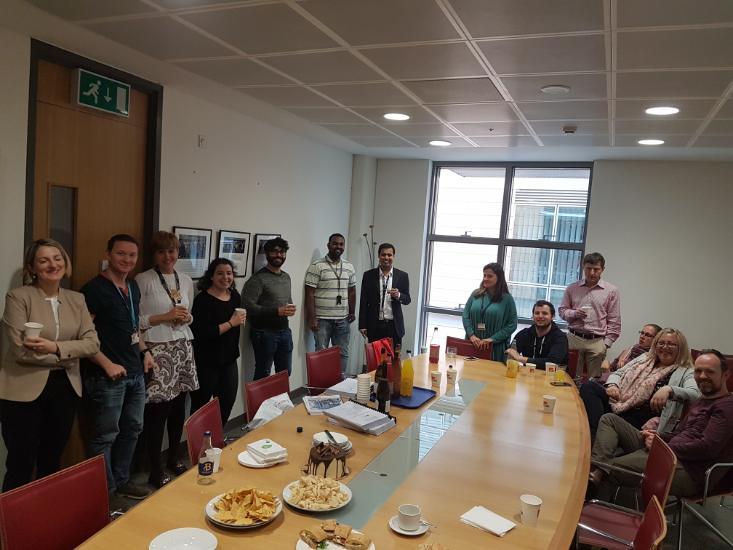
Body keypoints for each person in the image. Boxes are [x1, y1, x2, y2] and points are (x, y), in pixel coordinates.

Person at [0, 239, 99, 491]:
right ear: (32, 268)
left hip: (64, 388)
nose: (52, 264)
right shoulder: (18, 297)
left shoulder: (77, 299)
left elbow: (92, 344)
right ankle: (10, 527)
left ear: (65, 263)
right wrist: (69, 355)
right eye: (43, 260)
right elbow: (20, 350)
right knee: (20, 464)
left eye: (57, 258)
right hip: (23, 391)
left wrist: (55, 348)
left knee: (51, 460)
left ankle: (46, 522)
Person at [590, 350, 733, 497]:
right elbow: (680, 433)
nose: (702, 376)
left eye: (710, 372)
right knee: (610, 419)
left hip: (688, 470)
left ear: (725, 375)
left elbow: (707, 448)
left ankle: (593, 493)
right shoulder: (702, 400)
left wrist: (662, 447)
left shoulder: (727, 407)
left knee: (609, 467)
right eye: (698, 371)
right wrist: (659, 436)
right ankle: (597, 472)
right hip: (669, 451)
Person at [81, 234, 154, 504]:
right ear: (108, 254)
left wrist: (145, 352)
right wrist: (106, 363)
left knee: (133, 428)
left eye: (132, 255)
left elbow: (134, 328)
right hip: (106, 376)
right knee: (105, 436)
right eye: (121, 254)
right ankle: (104, 492)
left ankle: (122, 481)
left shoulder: (132, 287)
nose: (127, 260)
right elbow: (83, 335)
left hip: (135, 371)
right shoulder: (93, 290)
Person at [135, 231, 199, 488]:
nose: (167, 256)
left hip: (182, 347)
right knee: (157, 412)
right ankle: (155, 467)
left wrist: (185, 318)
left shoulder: (185, 280)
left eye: (171, 251)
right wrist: (164, 316)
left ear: (178, 252)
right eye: (161, 251)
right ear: (154, 255)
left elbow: (189, 313)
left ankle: (174, 457)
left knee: (177, 410)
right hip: (157, 349)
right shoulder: (143, 280)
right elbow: (135, 321)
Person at [579, 327, 699, 435]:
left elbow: (695, 394)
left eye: (671, 344)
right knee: (589, 386)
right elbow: (618, 373)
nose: (665, 347)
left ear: (681, 348)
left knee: (606, 417)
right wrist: (613, 385)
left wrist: (669, 389)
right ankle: (597, 429)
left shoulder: (686, 371)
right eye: (661, 343)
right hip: (620, 402)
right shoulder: (645, 357)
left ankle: (595, 432)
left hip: (642, 417)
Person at [190, 258, 246, 426]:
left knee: (227, 403)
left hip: (229, 360)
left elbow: (237, 324)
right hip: (206, 362)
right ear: (212, 277)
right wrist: (231, 323)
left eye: (229, 273)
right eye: (220, 273)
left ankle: (216, 441)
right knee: (200, 406)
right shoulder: (203, 300)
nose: (225, 277)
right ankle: (198, 445)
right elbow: (201, 333)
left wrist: (239, 321)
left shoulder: (235, 296)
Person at [559, 252, 621, 378]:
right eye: (588, 269)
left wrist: (605, 345)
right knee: (570, 378)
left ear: (603, 269)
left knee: (593, 381)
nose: (592, 273)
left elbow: (614, 320)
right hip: (574, 338)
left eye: (596, 269)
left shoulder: (611, 291)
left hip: (597, 340)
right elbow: (562, 311)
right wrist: (574, 313)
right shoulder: (572, 288)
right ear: (583, 267)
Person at [243, 237, 295, 380]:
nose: (279, 255)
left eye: (282, 252)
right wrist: (276, 311)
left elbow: (286, 301)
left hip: (284, 331)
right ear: (266, 254)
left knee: (285, 373)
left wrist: (289, 309)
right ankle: (260, 403)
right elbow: (247, 306)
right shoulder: (258, 279)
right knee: (263, 374)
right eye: (275, 252)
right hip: (264, 333)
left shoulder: (286, 277)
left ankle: (281, 402)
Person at [305, 233, 356, 375]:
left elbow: (352, 291)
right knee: (321, 355)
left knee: (343, 353)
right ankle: (321, 388)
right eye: (335, 244)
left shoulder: (349, 266)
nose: (338, 247)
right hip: (322, 319)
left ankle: (340, 385)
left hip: (343, 319)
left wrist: (352, 311)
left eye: (341, 244)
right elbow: (309, 293)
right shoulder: (317, 266)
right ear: (328, 245)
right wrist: (312, 317)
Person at [358, 243, 411, 348]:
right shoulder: (368, 275)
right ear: (379, 256)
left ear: (393, 256)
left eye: (389, 255)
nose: (386, 257)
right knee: (375, 361)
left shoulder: (402, 276)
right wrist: (362, 325)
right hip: (374, 325)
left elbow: (407, 299)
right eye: (383, 255)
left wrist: (399, 295)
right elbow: (363, 301)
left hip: (394, 326)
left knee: (394, 361)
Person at [462, 262, 517, 361]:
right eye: (484, 275)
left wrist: (492, 339)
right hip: (473, 344)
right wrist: (471, 335)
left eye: (490, 276)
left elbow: (512, 324)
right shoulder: (476, 294)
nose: (485, 279)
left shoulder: (507, 299)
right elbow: (465, 316)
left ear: (499, 278)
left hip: (494, 348)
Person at [506, 300, 567, 369]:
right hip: (527, 375)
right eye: (537, 313)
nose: (540, 316)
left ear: (552, 316)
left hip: (551, 377)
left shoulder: (560, 337)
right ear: (533, 316)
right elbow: (510, 355)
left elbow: (552, 363)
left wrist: (521, 358)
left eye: (544, 313)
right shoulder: (524, 334)